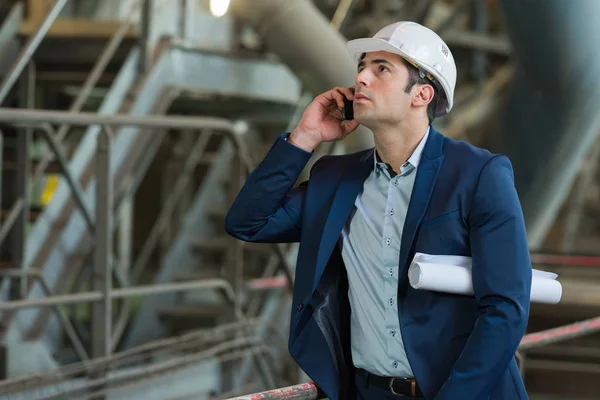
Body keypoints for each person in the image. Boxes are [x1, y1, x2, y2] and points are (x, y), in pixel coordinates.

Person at [225, 21, 532, 400]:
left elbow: (505, 308)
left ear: (421, 94)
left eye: (381, 68)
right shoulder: (336, 178)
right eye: (362, 67)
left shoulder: (478, 175)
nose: (361, 79)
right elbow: (248, 222)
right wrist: (304, 138)